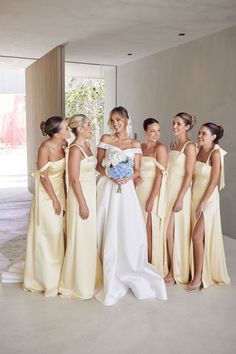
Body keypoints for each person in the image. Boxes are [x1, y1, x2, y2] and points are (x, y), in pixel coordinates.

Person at [95, 106, 167, 306]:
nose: (115, 124)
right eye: (112, 120)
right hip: (108, 188)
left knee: (126, 225)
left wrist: (126, 176)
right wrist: (110, 174)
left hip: (126, 190)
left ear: (126, 120)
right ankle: (105, 263)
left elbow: (137, 170)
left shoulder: (135, 144)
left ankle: (128, 262)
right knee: (105, 221)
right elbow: (98, 165)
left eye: (118, 119)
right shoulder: (106, 140)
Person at [23, 116, 70, 296]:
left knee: (60, 232)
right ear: (56, 134)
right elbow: (43, 177)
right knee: (49, 232)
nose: (68, 131)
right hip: (47, 195)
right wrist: (55, 200)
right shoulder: (44, 148)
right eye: (65, 129)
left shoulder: (65, 143)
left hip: (61, 191)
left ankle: (60, 275)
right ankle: (46, 278)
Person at [59, 114, 101, 299]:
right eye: (89, 125)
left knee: (89, 237)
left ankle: (90, 278)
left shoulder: (87, 146)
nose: (91, 127)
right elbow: (74, 179)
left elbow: (95, 168)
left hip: (91, 194)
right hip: (80, 198)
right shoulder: (75, 149)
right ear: (81, 129)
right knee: (81, 237)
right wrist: (83, 204)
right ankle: (77, 283)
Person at [186, 123, 230, 292]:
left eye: (203, 133)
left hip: (209, 199)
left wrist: (203, 203)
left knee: (197, 237)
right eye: (199, 133)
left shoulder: (216, 153)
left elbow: (213, 182)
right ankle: (198, 268)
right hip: (195, 195)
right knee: (197, 236)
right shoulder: (197, 150)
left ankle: (199, 276)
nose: (199, 136)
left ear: (213, 137)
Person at [164, 112, 197, 285]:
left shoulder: (190, 147)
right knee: (166, 232)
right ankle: (169, 265)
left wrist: (180, 198)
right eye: (174, 123)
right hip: (168, 192)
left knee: (172, 232)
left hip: (180, 193)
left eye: (178, 124)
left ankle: (175, 271)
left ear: (187, 127)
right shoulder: (173, 144)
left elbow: (189, 175)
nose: (175, 127)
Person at [135, 118, 168, 276]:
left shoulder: (160, 148)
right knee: (139, 228)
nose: (156, 134)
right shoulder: (140, 147)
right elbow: (135, 169)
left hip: (152, 192)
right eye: (152, 131)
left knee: (149, 228)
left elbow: (160, 176)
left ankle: (150, 265)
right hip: (138, 192)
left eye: (158, 130)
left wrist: (151, 199)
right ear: (145, 132)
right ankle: (140, 262)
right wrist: (135, 178)